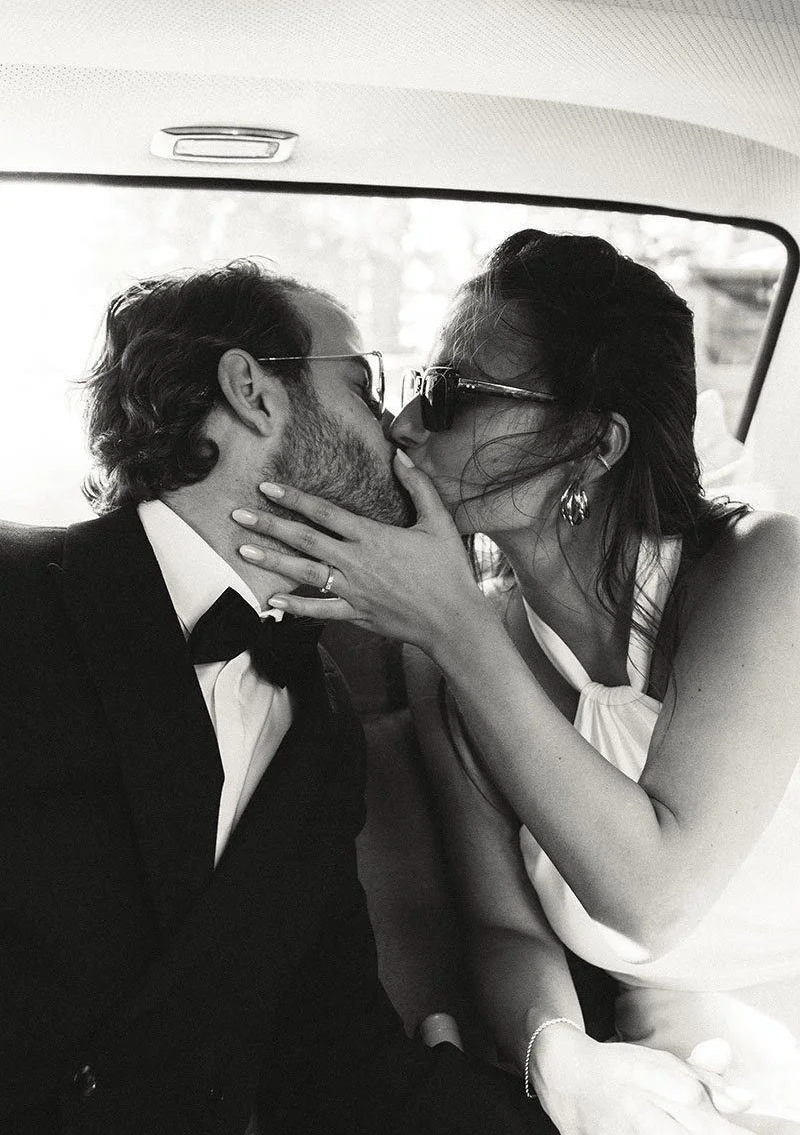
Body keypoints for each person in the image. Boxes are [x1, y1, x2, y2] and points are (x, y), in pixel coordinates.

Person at [229, 230, 800, 1135]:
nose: (407, 426)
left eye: (452, 396)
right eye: (417, 392)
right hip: (678, 1059)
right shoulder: (449, 658)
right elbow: (506, 930)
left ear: (591, 444)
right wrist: (559, 1056)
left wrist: (452, 620)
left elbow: (652, 895)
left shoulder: (764, 570)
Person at [0, 258, 571, 1135]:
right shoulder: (19, 596)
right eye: (366, 388)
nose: (400, 431)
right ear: (251, 390)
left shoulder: (321, 722)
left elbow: (327, 1046)